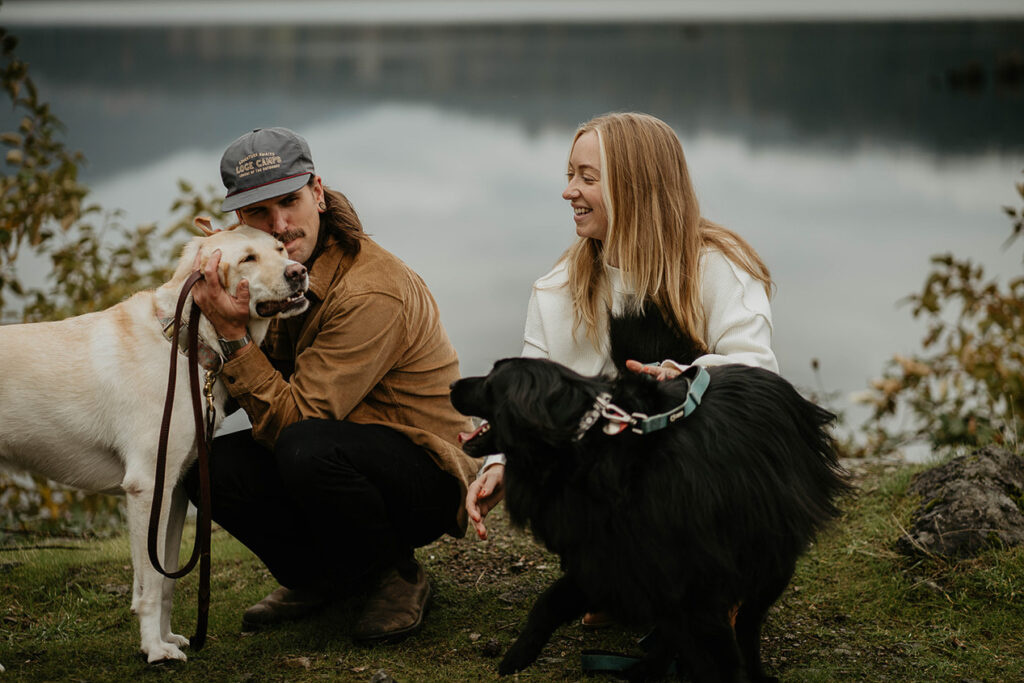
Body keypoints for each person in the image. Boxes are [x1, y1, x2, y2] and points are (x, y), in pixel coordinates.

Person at [184, 127, 478, 643]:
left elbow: (297, 420)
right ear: (238, 220)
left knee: (304, 445)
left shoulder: (371, 290)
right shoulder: (276, 275)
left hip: (424, 471)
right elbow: (248, 382)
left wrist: (232, 334)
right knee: (206, 468)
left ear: (317, 193)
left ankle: (396, 574)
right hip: (340, 448)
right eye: (259, 213)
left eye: (290, 201)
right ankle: (323, 579)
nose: (279, 224)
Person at [465, 111, 778, 577]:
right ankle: (611, 577)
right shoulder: (557, 290)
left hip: (707, 471)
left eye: (587, 177)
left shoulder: (719, 268)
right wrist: (499, 462)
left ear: (635, 186)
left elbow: (759, 378)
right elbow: (527, 394)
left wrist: (687, 378)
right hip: (609, 485)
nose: (569, 191)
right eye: (570, 175)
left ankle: (720, 581)